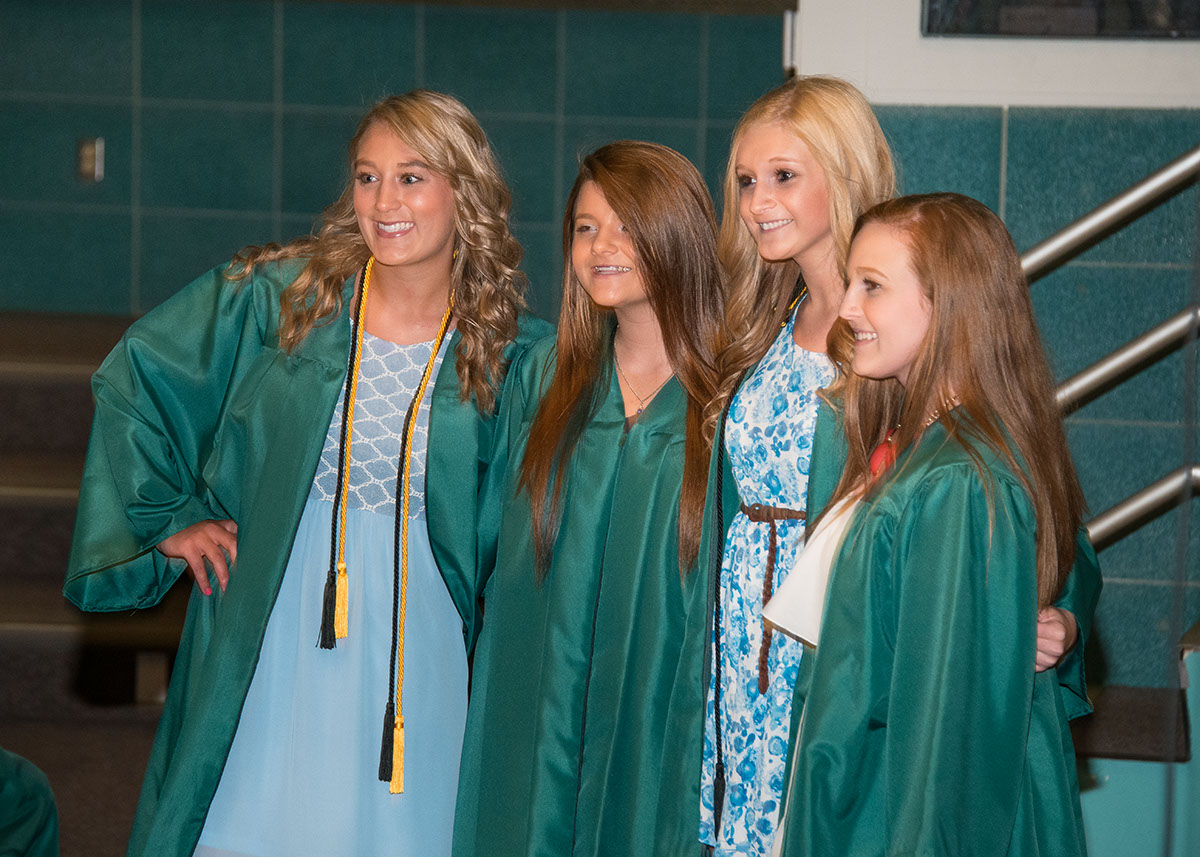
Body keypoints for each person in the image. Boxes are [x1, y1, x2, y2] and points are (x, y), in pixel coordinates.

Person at [63, 90, 547, 857]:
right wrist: (165, 515)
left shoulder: (508, 353)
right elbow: (137, 376)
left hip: (417, 651)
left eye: (412, 177)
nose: (384, 202)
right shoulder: (284, 300)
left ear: (466, 191)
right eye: (366, 177)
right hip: (275, 629)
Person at [700, 75, 1100, 856]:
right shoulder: (754, 331)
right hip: (745, 639)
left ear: (843, 173)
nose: (757, 201)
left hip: (853, 654)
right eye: (746, 180)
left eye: (784, 176)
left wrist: (1061, 613)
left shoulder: (903, 330)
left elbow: (1030, 514)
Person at [771, 192, 1090, 856]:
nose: (849, 307)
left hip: (900, 818)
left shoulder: (953, 480)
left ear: (947, 304)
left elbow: (943, 741)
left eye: (873, 286)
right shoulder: (920, 443)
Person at [452, 141, 725, 857]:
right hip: (535, 711)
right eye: (585, 227)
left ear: (678, 233)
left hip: (662, 721)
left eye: (627, 225)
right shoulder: (544, 379)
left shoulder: (732, 400)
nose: (602, 245)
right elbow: (481, 540)